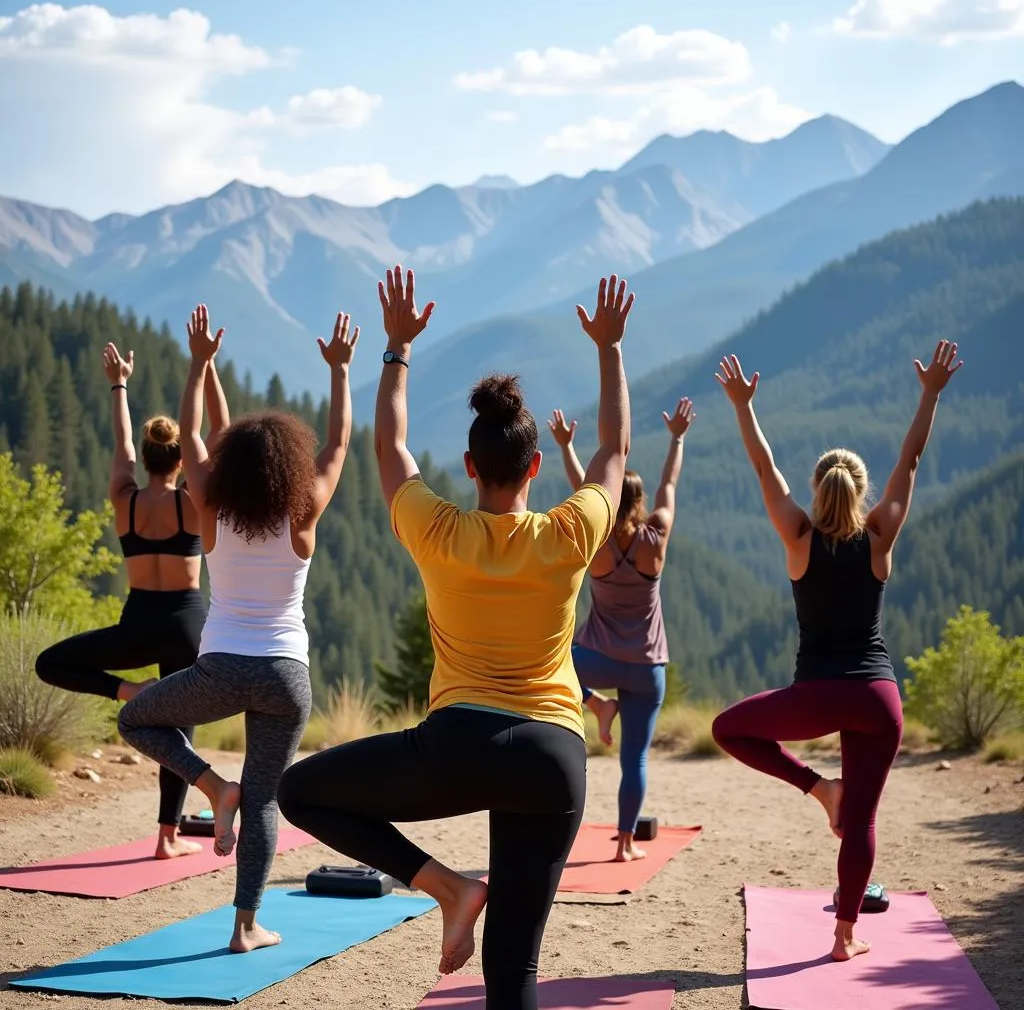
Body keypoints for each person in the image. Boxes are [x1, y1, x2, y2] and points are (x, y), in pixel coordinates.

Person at [278, 267, 632, 1010]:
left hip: (457, 746)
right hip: (554, 759)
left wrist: (397, 347)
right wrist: (610, 349)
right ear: (537, 467)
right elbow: (615, 450)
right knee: (515, 974)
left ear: (470, 468)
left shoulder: (436, 530)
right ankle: (461, 898)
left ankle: (445, 886)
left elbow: (390, 445)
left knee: (301, 791)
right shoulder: (567, 533)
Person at [710, 341, 962, 962]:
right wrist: (929, 393)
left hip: (816, 696)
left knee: (728, 729)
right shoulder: (880, 537)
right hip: (878, 698)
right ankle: (845, 936)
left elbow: (764, 466)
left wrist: (744, 407)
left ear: (818, 493)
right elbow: (912, 457)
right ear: (860, 491)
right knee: (866, 821)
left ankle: (820, 789)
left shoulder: (797, 537)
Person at [119, 303, 359, 952]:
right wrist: (340, 373)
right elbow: (337, 444)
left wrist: (198, 364)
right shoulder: (302, 514)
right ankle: (245, 926)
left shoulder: (211, 510)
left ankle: (209, 784)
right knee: (263, 800)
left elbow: (193, 437)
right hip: (287, 677)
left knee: (135, 718)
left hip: (221, 669)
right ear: (287, 467)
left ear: (230, 470)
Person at [36, 338, 230, 859]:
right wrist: (202, 367)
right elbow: (218, 434)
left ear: (145, 460)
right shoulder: (194, 501)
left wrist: (119, 384)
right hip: (187, 620)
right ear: (180, 458)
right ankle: (167, 836)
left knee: (50, 663)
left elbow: (120, 442)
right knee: (178, 727)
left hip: (139, 619)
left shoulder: (125, 500)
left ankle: (127, 692)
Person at [547, 397, 694, 862]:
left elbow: (582, 486)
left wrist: (567, 446)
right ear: (641, 502)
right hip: (648, 667)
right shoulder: (657, 537)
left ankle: (596, 703)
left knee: (553, 656)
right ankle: (625, 844)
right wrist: (677, 437)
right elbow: (670, 482)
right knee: (636, 760)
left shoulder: (600, 543)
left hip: (599, 658)